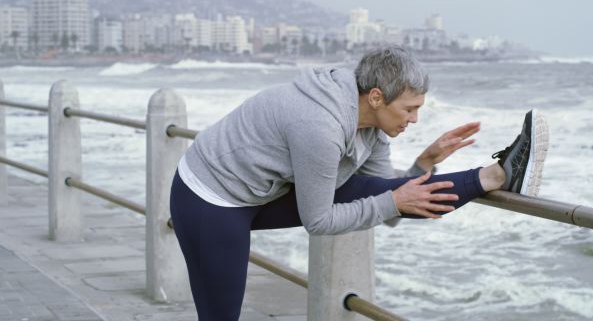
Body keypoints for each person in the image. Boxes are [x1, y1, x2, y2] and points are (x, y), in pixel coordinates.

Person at [169, 45, 549, 320]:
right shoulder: (321, 128)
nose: (414, 120)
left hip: (260, 189)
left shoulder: (371, 129)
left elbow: (391, 204)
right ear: (377, 96)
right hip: (209, 200)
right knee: (220, 315)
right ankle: (499, 175)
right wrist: (394, 200)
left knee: (396, 196)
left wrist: (425, 162)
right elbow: (319, 222)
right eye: (410, 109)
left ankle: (498, 175)